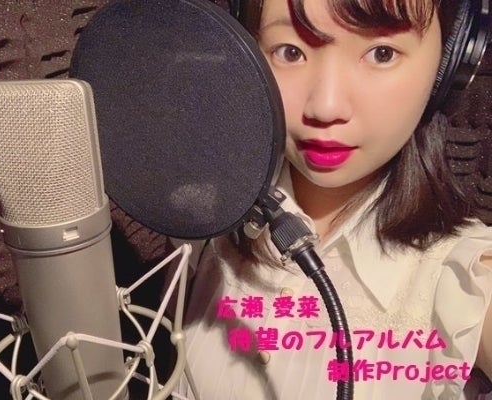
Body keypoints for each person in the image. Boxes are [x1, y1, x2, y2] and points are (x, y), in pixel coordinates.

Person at [172, 0, 492, 398]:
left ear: (452, 62)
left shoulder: (465, 279)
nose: (326, 107)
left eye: (382, 53)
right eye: (290, 52)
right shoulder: (198, 221)